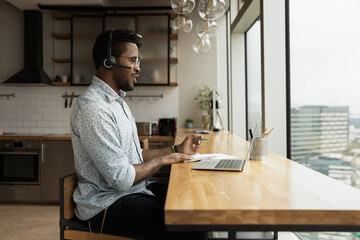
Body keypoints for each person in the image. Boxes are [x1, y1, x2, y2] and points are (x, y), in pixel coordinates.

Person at [70, 28, 207, 240]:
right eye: (133, 60)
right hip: (105, 204)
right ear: (109, 61)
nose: (138, 68)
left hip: (132, 191)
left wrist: (176, 149)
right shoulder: (94, 109)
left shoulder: (118, 103)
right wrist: (164, 159)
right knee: (189, 226)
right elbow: (123, 179)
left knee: (193, 206)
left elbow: (133, 156)